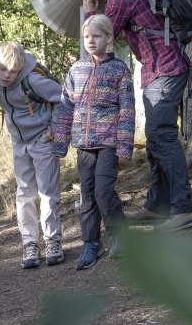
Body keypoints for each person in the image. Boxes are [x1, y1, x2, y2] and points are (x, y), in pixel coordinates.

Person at [73, 0, 192, 232]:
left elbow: (99, 40)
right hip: (159, 71)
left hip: (164, 72)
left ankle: (185, 208)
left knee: (163, 139)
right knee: (157, 140)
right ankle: (158, 205)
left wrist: (88, 10)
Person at [0, 41, 64, 268]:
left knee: (47, 192)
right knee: (25, 193)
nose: (7, 76)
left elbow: (64, 98)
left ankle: (52, 241)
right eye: (2, 69)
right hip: (19, 143)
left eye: (13, 71)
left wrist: (54, 129)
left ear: (20, 68)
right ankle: (29, 243)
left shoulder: (33, 81)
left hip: (42, 140)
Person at [53, 14, 135, 270]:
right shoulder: (76, 70)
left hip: (109, 143)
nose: (90, 41)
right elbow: (66, 106)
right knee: (87, 195)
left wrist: (124, 146)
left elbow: (127, 111)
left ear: (109, 38)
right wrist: (60, 142)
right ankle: (91, 242)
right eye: (86, 36)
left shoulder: (119, 69)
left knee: (103, 191)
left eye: (96, 36)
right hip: (83, 145)